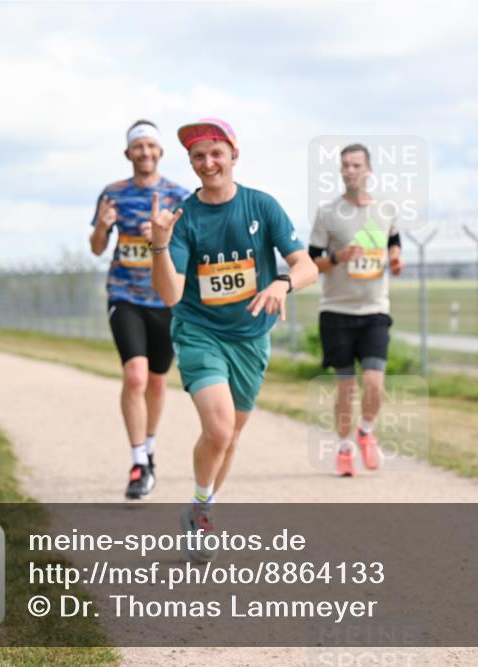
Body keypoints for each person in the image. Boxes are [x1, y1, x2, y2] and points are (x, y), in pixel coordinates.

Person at [149, 118, 318, 561]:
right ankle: (203, 512)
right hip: (199, 331)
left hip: (250, 337)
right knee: (219, 428)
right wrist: (160, 246)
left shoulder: (262, 206)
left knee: (230, 436)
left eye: (216, 153)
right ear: (191, 163)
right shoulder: (185, 219)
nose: (208, 162)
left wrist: (283, 283)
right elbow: (170, 293)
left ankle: (200, 507)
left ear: (233, 155)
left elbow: (308, 265)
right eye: (198, 156)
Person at [90, 120, 190, 500]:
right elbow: (98, 247)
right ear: (128, 153)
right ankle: (137, 462)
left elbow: (188, 250)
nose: (145, 153)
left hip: (164, 299)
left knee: (158, 381)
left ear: (160, 152)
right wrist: (101, 227)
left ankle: (149, 448)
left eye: (151, 146)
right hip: (124, 294)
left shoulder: (179, 196)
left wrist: (162, 239)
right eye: (138, 147)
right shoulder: (112, 194)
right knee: (135, 376)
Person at [308, 144, 403, 476]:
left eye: (356, 165)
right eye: (345, 165)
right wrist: (338, 257)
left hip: (375, 309)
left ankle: (365, 430)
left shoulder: (386, 209)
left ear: (368, 170)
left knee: (375, 383)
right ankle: (345, 447)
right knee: (346, 387)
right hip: (336, 311)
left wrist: (395, 258)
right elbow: (312, 262)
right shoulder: (327, 213)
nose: (350, 170)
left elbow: (394, 240)